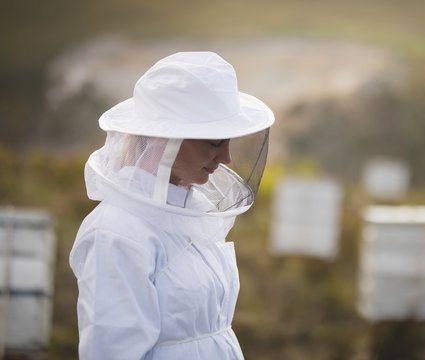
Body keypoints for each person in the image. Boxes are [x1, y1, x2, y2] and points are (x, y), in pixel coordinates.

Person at [69, 51, 275, 359]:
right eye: (214, 142)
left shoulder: (191, 212)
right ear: (167, 140)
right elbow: (111, 351)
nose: (226, 158)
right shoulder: (116, 232)